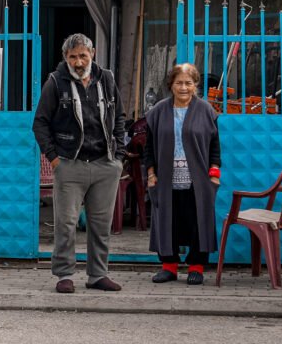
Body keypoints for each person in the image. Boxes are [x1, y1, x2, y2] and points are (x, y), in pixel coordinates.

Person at [33, 33, 127, 294]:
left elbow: (119, 116)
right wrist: (53, 158)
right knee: (66, 222)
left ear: (92, 54)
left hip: (104, 163)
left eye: (83, 55)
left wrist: (118, 156)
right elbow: (40, 123)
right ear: (65, 58)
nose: (78, 61)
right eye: (72, 56)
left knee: (101, 224)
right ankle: (64, 275)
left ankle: (98, 275)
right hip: (69, 164)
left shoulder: (106, 79)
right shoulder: (55, 82)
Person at [143, 63, 222, 285]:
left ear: (195, 85)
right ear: (171, 85)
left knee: (198, 220)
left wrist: (214, 174)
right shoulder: (158, 111)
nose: (184, 87)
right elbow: (148, 148)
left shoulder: (206, 111)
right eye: (179, 83)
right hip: (165, 177)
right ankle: (169, 267)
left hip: (198, 178)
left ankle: (196, 267)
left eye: (189, 83)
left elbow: (215, 146)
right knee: (168, 221)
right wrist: (150, 174)